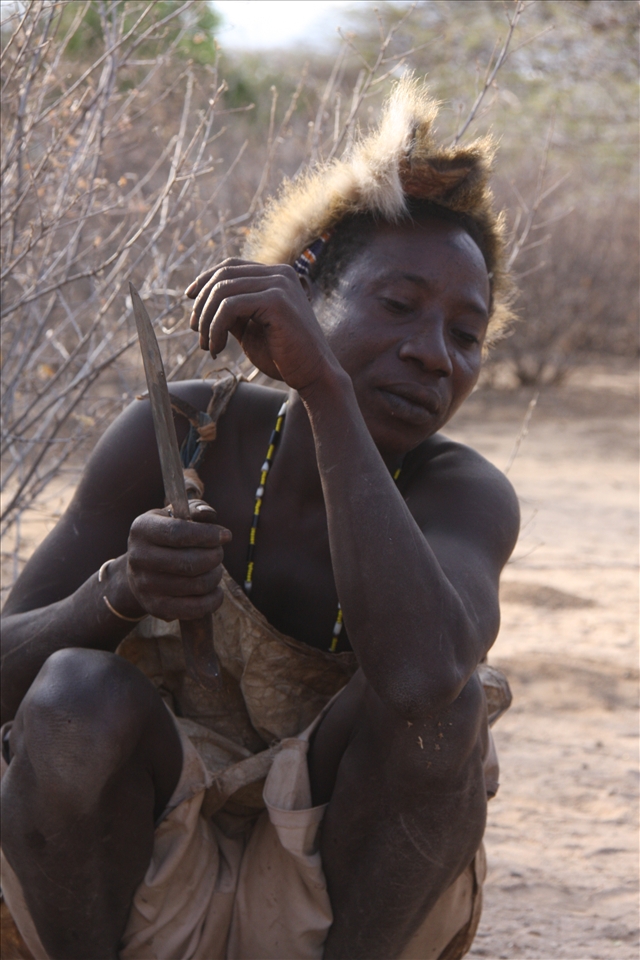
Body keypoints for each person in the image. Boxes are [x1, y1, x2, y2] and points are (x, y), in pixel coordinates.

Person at [0, 78, 519, 960]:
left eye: (465, 335)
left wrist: (324, 391)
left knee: (451, 713)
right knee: (75, 694)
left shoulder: (460, 491)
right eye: (397, 307)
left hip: (339, 904)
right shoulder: (185, 432)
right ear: (305, 294)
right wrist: (118, 594)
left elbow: (428, 687)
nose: (434, 355)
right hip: (128, 882)